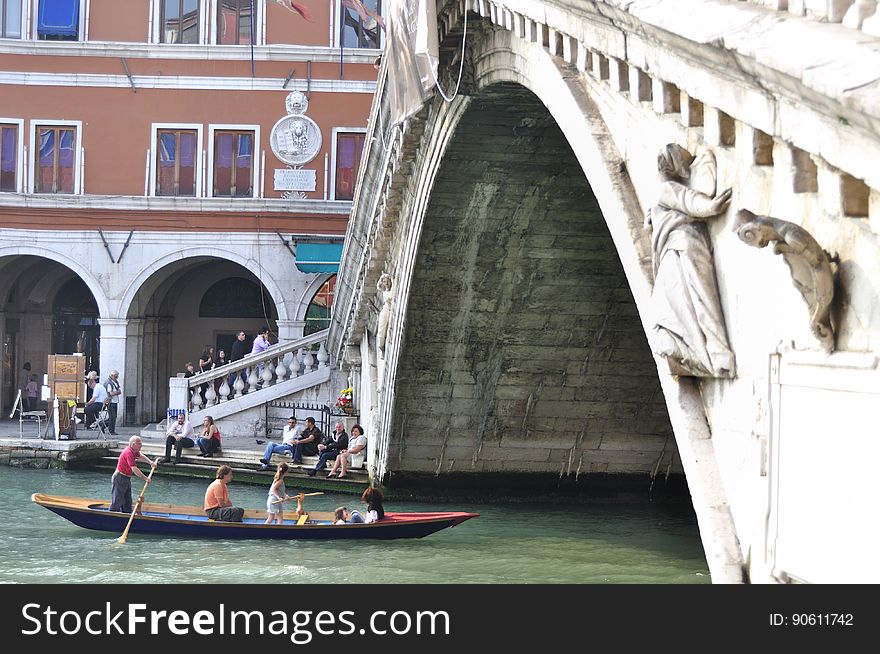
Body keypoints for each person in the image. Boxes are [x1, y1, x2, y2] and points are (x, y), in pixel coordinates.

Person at [646, 144, 735, 378]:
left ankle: (704, 354)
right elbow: (688, 199)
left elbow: (684, 201)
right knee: (698, 300)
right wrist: (711, 206)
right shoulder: (664, 190)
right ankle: (715, 356)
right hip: (682, 248)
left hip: (678, 251)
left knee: (687, 303)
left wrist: (708, 206)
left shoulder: (660, 194)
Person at [109, 436, 158, 513]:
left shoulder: (134, 451)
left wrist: (150, 462)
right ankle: (112, 516)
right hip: (120, 477)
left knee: (128, 501)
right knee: (117, 501)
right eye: (139, 444)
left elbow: (140, 456)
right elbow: (134, 469)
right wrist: (145, 478)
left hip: (127, 478)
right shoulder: (128, 453)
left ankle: (127, 514)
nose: (141, 445)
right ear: (133, 444)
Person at [103, 370, 122, 435]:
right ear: (112, 376)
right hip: (110, 401)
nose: (117, 378)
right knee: (112, 416)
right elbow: (111, 393)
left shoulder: (115, 382)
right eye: (116, 376)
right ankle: (111, 430)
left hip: (115, 401)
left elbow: (119, 390)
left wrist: (117, 392)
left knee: (114, 416)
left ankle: (102, 425)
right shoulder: (109, 383)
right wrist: (117, 392)